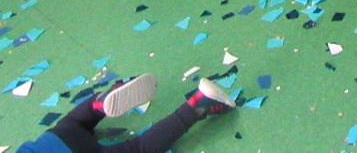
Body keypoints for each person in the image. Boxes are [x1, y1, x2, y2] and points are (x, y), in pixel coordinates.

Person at [16, 73, 235, 152]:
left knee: (138, 148)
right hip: (52, 141)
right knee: (74, 122)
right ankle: (98, 105)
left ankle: (199, 104)